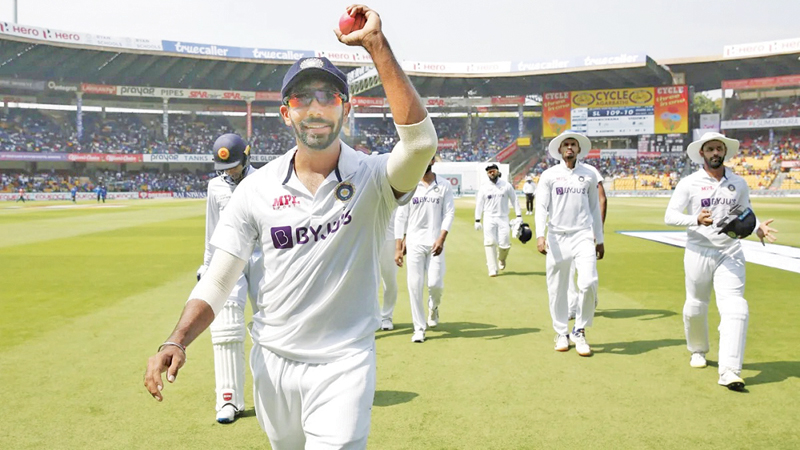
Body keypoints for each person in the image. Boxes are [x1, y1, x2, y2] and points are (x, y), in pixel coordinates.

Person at [144, 5, 438, 449]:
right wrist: (178, 339)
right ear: (286, 112)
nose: (316, 107)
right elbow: (220, 277)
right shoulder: (255, 190)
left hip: (344, 362)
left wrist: (376, 45)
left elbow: (419, 144)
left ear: (346, 108)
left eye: (328, 96)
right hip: (272, 362)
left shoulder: (374, 178)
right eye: (303, 98)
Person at [664, 132, 777, 391]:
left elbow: (743, 211)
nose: (715, 152)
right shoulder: (689, 183)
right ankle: (698, 349)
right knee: (696, 306)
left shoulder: (738, 183)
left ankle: (730, 370)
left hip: (730, 250)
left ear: (724, 153)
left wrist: (757, 226)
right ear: (702, 153)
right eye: (710, 149)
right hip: (698, 250)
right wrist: (695, 220)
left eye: (719, 149)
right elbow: (670, 216)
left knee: (736, 307)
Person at [197, 133, 263, 423]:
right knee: (226, 326)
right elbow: (212, 231)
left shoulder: (264, 181)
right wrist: (207, 267)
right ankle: (228, 401)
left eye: (234, 165)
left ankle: (274, 395)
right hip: (227, 258)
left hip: (262, 258)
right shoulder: (215, 187)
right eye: (225, 168)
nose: (230, 172)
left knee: (271, 323)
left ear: (247, 156)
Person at [535, 130, 604, 357]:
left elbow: (595, 207)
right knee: (556, 289)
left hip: (583, 235)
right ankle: (561, 332)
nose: (570, 148)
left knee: (588, 282)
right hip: (556, 236)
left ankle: (579, 330)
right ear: (560, 149)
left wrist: (599, 238)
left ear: (579, 149)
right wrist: (540, 235)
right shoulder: (550, 175)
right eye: (566, 145)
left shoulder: (589, 174)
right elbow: (541, 207)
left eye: (573, 144)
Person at [394, 156, 455, 343]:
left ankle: (433, 307)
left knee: (435, 284)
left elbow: (449, 212)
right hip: (414, 243)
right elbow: (400, 216)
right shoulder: (410, 186)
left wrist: (442, 237)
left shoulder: (443, 185)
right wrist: (398, 247)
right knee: (414, 286)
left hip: (436, 242)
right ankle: (419, 328)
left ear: (432, 162)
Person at [568, 163, 606, 320]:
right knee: (568, 271)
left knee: (588, 273)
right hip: (564, 230)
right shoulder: (555, 173)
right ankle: (571, 307)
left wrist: (599, 229)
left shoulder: (591, 171)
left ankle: (591, 298)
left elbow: (602, 199)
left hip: (586, 228)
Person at [474, 164, 522, 277]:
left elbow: (514, 200)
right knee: (489, 242)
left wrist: (519, 216)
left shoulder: (506, 185)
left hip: (503, 217)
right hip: (489, 217)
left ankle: (501, 258)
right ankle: (492, 269)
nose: (491, 173)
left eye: (493, 171)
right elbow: (479, 204)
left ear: (497, 172)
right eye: (489, 172)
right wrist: (477, 220)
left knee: (505, 243)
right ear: (487, 174)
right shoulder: (484, 187)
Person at [378, 209, 399, 331]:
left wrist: (401, 240)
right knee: (369, 280)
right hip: (368, 237)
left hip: (390, 238)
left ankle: (386, 316)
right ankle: (371, 316)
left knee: (389, 279)